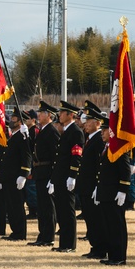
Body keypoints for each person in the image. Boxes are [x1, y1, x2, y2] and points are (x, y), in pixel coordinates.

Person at [50, 100, 85, 253]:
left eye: (62, 113)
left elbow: (76, 156)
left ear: (70, 115)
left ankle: (70, 244)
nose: (59, 115)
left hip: (67, 178)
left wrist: (72, 175)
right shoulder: (66, 131)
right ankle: (63, 243)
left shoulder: (76, 132)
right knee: (61, 211)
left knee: (68, 211)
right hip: (60, 177)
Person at [96, 120, 132, 265]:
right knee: (109, 225)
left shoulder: (119, 149)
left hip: (114, 193)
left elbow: (125, 171)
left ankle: (119, 257)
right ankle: (112, 255)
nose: (102, 133)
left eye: (104, 130)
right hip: (106, 192)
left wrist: (123, 190)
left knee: (117, 226)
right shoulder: (107, 147)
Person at [78, 107, 107, 259]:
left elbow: (99, 165)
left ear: (97, 123)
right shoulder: (90, 139)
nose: (86, 124)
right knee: (90, 218)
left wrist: (98, 185)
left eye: (89, 121)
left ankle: (100, 248)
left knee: (96, 219)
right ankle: (95, 246)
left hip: (93, 186)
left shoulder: (99, 140)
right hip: (85, 186)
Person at [29, 102, 60, 247]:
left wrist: (53, 178)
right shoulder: (43, 130)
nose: (39, 115)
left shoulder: (52, 131)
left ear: (49, 116)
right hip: (40, 172)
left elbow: (55, 156)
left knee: (48, 207)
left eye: (41, 113)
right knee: (42, 207)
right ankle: (42, 235)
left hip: (47, 172)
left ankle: (49, 237)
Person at [0, 111, 33, 241]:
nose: (11, 120)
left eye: (14, 118)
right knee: (11, 206)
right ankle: (15, 231)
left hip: (16, 177)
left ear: (20, 122)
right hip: (9, 177)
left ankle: (20, 233)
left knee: (17, 206)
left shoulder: (22, 136)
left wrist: (24, 174)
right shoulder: (14, 136)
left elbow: (27, 155)